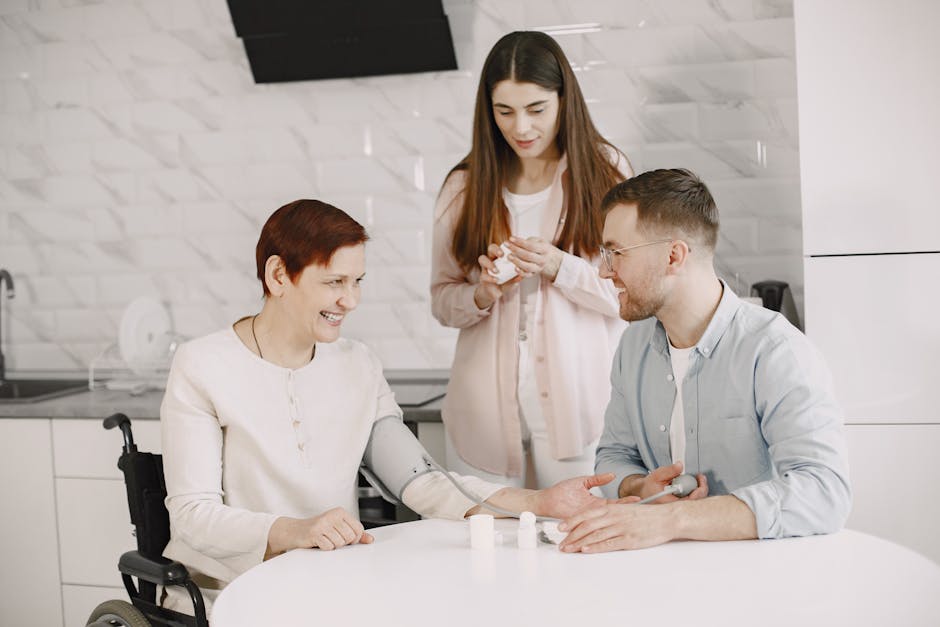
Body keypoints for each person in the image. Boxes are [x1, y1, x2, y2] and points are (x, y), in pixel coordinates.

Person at [160, 199, 614, 614]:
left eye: (356, 282)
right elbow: (192, 516)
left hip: (327, 585)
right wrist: (293, 530)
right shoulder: (203, 365)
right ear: (279, 276)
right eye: (334, 282)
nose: (350, 300)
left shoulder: (358, 365)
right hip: (229, 591)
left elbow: (423, 483)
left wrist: (541, 501)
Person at [557, 169, 851, 553]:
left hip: (765, 586)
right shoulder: (633, 347)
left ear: (674, 255)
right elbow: (614, 456)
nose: (604, 270)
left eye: (616, 253)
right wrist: (639, 487)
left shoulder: (775, 351)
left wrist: (671, 520)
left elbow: (825, 493)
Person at [431, 30, 633, 489]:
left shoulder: (605, 174)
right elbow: (442, 299)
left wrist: (559, 266)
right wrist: (481, 294)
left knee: (580, 542)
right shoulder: (463, 187)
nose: (521, 127)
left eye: (536, 109)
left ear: (564, 100)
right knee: (486, 547)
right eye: (504, 111)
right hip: (483, 411)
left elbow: (628, 294)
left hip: (579, 407)